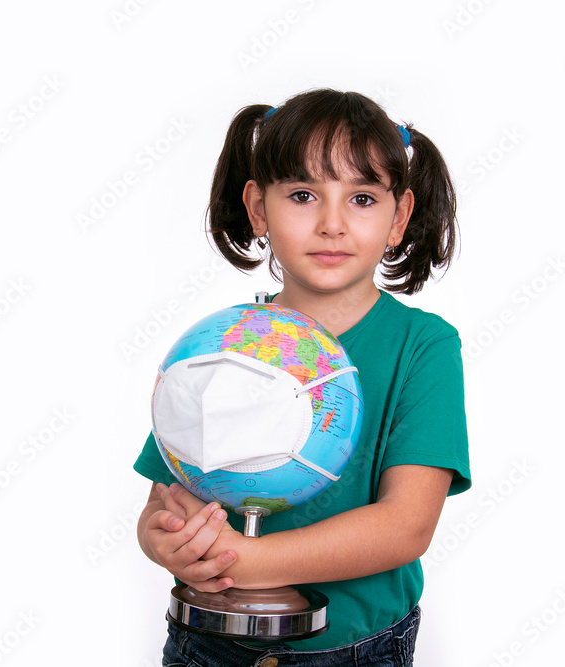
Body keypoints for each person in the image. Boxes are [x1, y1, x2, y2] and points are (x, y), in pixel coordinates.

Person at [134, 89, 471, 666]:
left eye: (362, 198)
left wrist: (241, 558)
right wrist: (167, 543)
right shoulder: (227, 346)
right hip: (208, 645)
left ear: (400, 217)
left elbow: (405, 527)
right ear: (259, 209)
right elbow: (167, 497)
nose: (332, 224)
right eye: (303, 195)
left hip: (357, 650)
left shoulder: (423, 347)